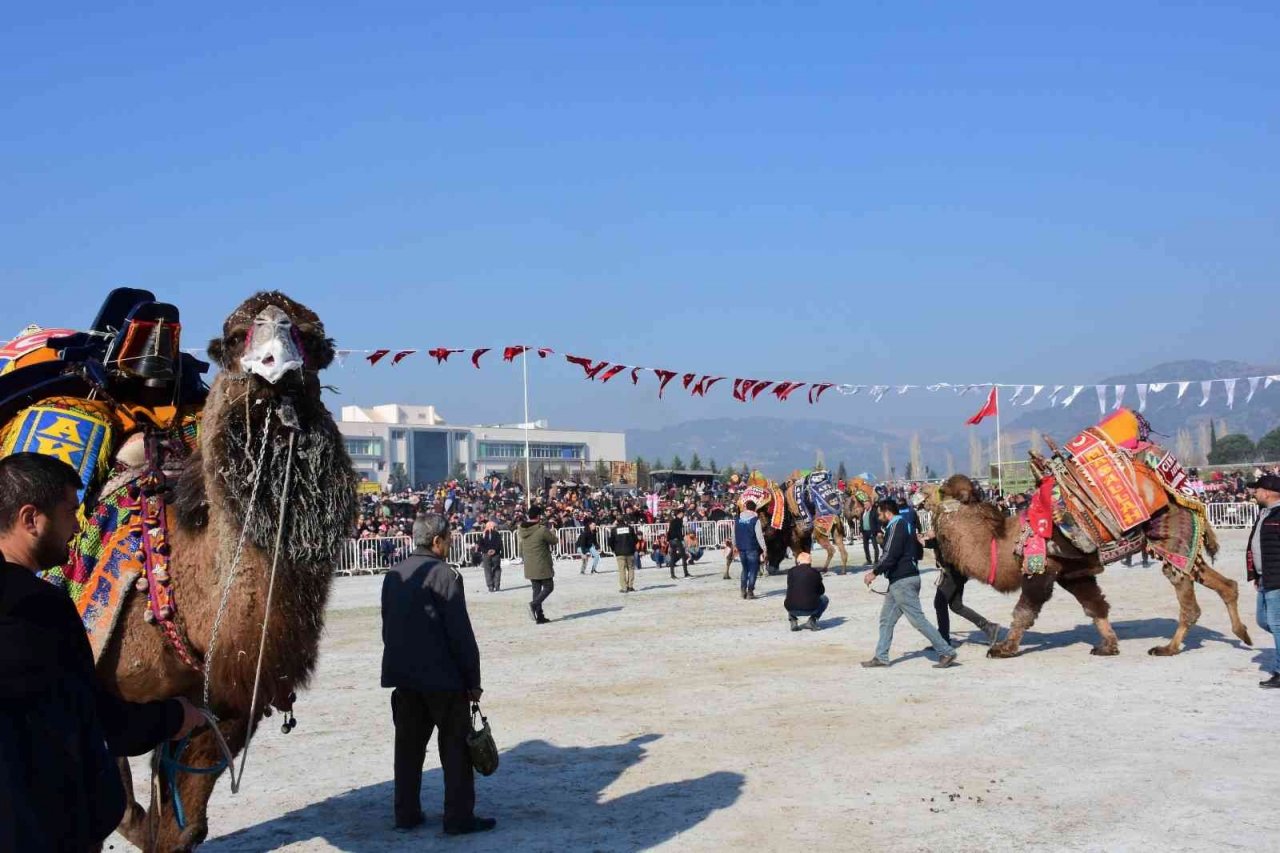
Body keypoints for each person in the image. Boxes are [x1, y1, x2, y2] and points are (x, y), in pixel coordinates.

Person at [0, 453, 203, 852]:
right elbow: (96, 717)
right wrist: (176, 715)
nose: (77, 528)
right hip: (39, 827)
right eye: (70, 513)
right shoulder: (39, 608)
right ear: (30, 520)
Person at [381, 514, 494, 835]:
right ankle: (458, 818)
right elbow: (460, 634)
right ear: (437, 541)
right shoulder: (445, 575)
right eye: (449, 539)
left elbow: (388, 627)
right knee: (455, 750)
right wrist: (473, 681)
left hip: (404, 677)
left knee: (407, 750)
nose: (450, 543)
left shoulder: (393, 575)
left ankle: (406, 813)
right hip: (443, 680)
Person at [861, 498, 958, 669]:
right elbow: (915, 550)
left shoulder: (896, 526)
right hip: (901, 580)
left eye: (879, 514)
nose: (878, 517)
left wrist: (874, 572)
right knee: (886, 619)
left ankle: (946, 651)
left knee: (917, 620)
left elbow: (890, 554)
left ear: (887, 512)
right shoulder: (905, 525)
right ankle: (881, 656)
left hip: (903, 581)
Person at [922, 532, 1002, 647]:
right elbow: (934, 543)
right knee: (956, 606)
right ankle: (989, 627)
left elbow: (944, 540)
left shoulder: (948, 527)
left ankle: (943, 641)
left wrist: (933, 534)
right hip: (957, 572)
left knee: (940, 603)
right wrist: (922, 540)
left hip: (953, 572)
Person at [1247, 474, 1280, 688]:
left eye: (1257, 489)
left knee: (1277, 624)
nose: (1254, 493)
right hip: (1265, 578)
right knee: (1263, 621)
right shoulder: (1264, 514)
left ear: (1267, 492)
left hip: (1277, 579)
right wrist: (1256, 575)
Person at [517, 505, 557, 624]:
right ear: (538, 516)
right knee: (549, 587)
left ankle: (539, 616)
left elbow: (521, 549)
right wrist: (552, 531)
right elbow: (554, 541)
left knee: (536, 590)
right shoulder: (541, 529)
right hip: (542, 564)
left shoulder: (522, 530)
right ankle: (533, 605)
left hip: (530, 565)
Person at [785, 552, 829, 631]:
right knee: (824, 599)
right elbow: (821, 591)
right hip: (810, 608)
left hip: (791, 608)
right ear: (810, 562)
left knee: (792, 595)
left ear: (798, 562)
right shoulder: (815, 573)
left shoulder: (791, 571)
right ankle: (812, 621)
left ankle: (793, 620)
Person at [734, 501, 767, 600]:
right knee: (753, 570)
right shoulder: (755, 520)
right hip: (752, 547)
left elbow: (733, 533)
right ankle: (750, 591)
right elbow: (759, 536)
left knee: (745, 569)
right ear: (754, 509)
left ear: (745, 507)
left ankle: (743, 590)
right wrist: (764, 549)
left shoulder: (737, 519)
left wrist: (734, 545)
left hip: (741, 548)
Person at [609, 520, 640, 593]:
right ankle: (630, 586)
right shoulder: (630, 528)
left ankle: (624, 587)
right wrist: (632, 546)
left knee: (622, 570)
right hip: (630, 552)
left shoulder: (614, 530)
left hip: (619, 553)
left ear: (617, 522)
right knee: (631, 569)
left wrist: (614, 549)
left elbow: (610, 542)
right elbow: (636, 540)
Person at [477, 521, 504, 592]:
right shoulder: (497, 534)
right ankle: (497, 585)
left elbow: (480, 545)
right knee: (497, 569)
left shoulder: (483, 534)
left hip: (486, 555)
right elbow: (500, 544)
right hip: (496, 554)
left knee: (487, 570)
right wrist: (495, 550)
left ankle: (490, 586)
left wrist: (486, 551)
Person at [667, 509, 690, 578]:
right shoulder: (679, 521)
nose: (683, 515)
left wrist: (669, 540)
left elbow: (669, 531)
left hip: (671, 540)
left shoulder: (672, 521)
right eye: (682, 513)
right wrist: (682, 540)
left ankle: (672, 574)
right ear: (679, 514)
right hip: (677, 540)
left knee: (672, 557)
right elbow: (678, 532)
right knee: (683, 556)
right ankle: (686, 573)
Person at [861, 502, 882, 566]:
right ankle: (868, 560)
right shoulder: (863, 513)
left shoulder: (874, 512)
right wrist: (861, 531)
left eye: (866, 504)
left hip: (872, 531)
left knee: (875, 546)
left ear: (870, 505)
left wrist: (879, 531)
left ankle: (876, 561)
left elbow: (878, 522)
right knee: (865, 547)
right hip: (865, 532)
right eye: (864, 504)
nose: (865, 506)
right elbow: (861, 522)